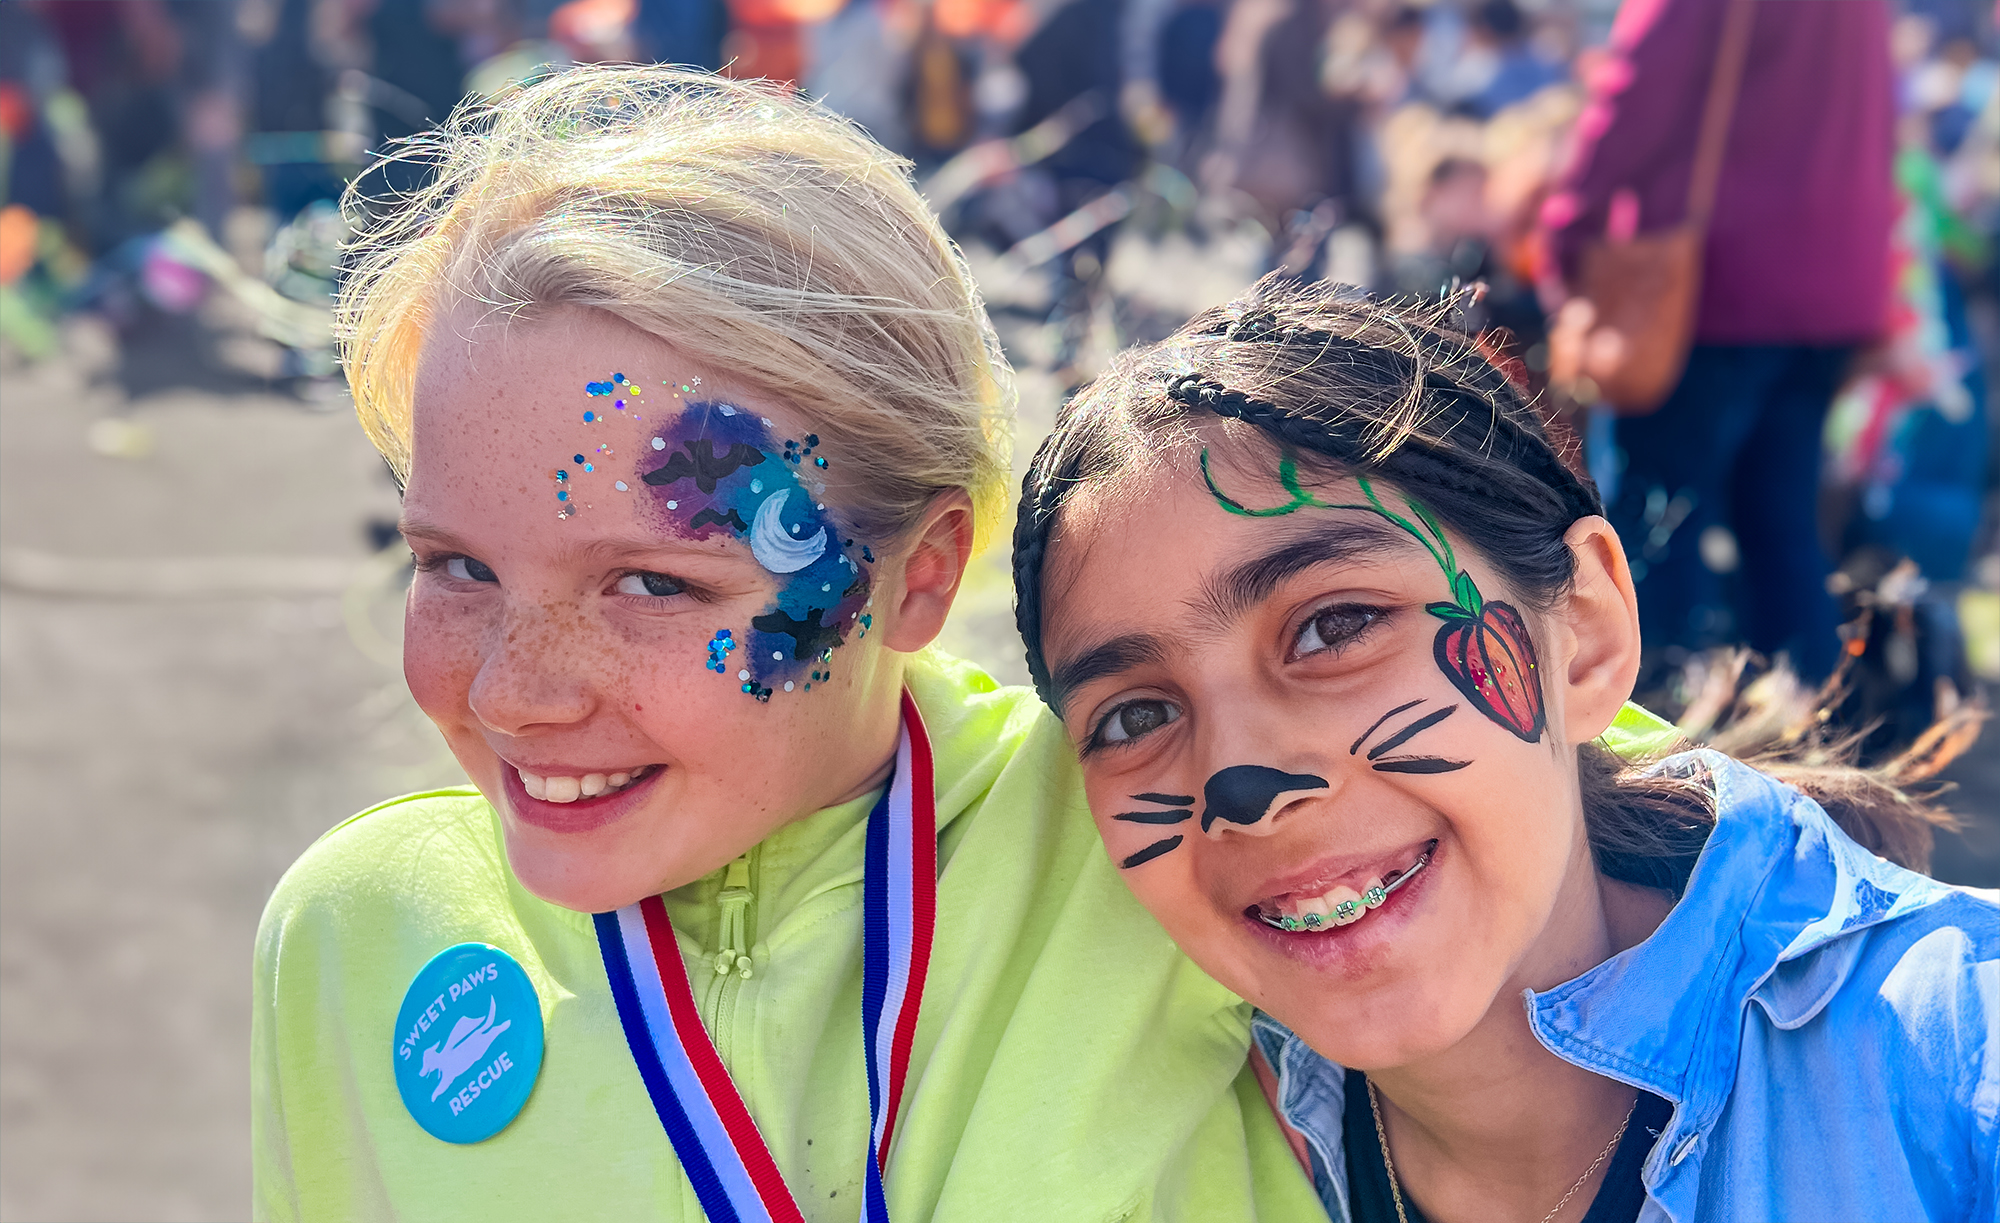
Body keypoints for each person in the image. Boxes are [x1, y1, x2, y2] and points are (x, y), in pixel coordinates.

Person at [252, 67, 1325, 1222]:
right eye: (458, 565)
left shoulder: (1157, 837)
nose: (514, 694)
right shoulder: (356, 936)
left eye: (653, 582)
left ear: (917, 575)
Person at [1011, 279, 1998, 1222]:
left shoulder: (1960, 1067)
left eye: (1334, 625)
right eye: (1134, 717)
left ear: (1583, 628)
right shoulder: (1184, 1141)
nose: (1243, 782)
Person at [1540, 0, 1898, 684]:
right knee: (1783, 525)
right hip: (1830, 283)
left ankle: (1651, 730)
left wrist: (1568, 232)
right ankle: (1810, 742)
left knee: (1656, 525)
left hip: (1715, 283)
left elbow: (1635, 93)